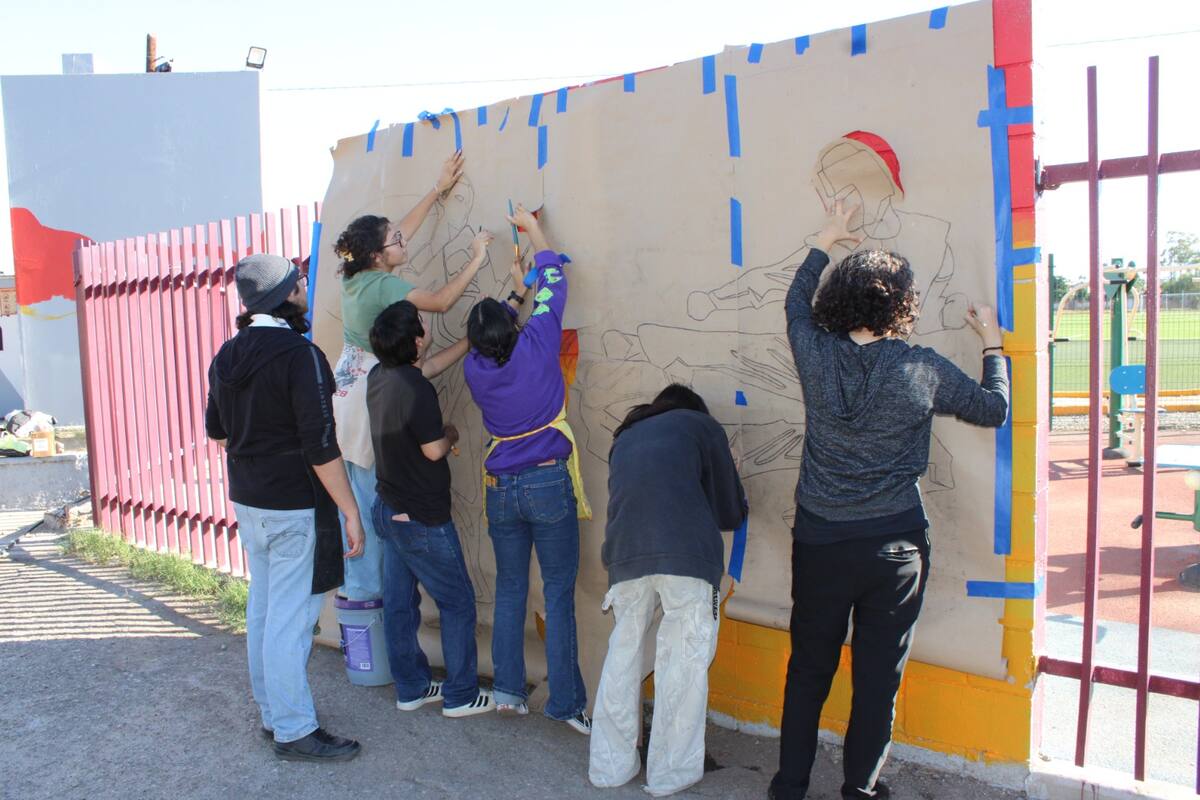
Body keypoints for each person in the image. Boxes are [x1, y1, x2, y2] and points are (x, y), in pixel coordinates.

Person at [767, 201, 1010, 800]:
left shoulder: (815, 350)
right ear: (902, 305)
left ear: (842, 300)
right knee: (878, 680)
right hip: (894, 547)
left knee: (808, 672)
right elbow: (993, 409)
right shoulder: (920, 368)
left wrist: (824, 240)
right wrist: (993, 344)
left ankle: (788, 789)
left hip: (821, 542)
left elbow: (795, 303)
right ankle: (859, 790)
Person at [205, 253, 365, 762]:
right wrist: (351, 510)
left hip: (249, 500)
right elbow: (321, 444)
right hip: (292, 504)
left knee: (265, 609)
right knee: (290, 620)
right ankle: (294, 730)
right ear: (284, 296)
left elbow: (217, 430)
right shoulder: (301, 356)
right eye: (299, 286)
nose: (304, 293)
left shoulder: (228, 355)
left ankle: (275, 715)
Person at [331, 149, 494, 604]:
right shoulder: (384, 287)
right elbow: (440, 301)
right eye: (395, 240)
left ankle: (370, 601)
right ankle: (368, 602)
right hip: (366, 406)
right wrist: (478, 259)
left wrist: (436, 190)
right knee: (368, 502)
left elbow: (400, 227)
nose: (405, 240)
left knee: (357, 506)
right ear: (380, 256)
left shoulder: (357, 277)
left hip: (347, 393)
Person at [463, 203, 591, 734]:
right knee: (558, 593)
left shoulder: (475, 368)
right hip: (545, 480)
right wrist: (533, 229)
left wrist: (517, 290)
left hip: (500, 487)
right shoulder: (538, 343)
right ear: (515, 325)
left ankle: (510, 692)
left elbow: (508, 327)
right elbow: (555, 275)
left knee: (512, 587)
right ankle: (565, 704)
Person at [588, 384, 746, 797]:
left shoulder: (627, 436)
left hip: (625, 555)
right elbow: (729, 511)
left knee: (624, 655)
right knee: (683, 662)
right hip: (687, 558)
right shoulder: (703, 427)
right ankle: (669, 774)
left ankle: (609, 766)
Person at [365, 300, 496, 717]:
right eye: (422, 324)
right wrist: (451, 431)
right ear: (416, 340)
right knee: (457, 602)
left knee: (400, 603)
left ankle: (411, 688)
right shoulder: (415, 389)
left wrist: (471, 340)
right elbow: (434, 450)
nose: (426, 325)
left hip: (389, 508)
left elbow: (431, 366)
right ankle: (460, 695)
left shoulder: (379, 376)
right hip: (421, 517)